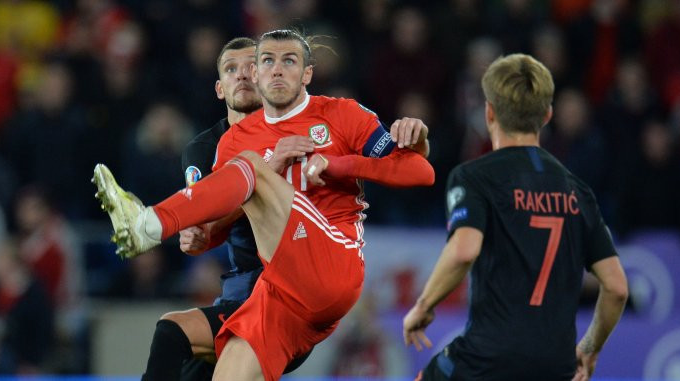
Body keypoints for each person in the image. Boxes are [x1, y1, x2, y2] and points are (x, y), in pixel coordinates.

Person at [93, 29, 434, 381]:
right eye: (268, 61)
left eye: (289, 61)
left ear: (307, 75)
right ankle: (155, 223)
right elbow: (215, 231)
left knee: (253, 165)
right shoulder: (232, 141)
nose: (277, 70)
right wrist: (200, 235)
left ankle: (149, 223)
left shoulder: (341, 114)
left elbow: (420, 171)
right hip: (277, 292)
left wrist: (339, 164)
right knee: (204, 357)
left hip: (331, 263)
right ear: (257, 73)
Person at [402, 54, 628, 381]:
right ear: (547, 115)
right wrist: (590, 349)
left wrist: (424, 306)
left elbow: (464, 250)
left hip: (486, 360)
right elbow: (617, 287)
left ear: (489, 112)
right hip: (557, 367)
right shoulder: (578, 191)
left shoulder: (474, 177)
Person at [141, 37, 310, 380]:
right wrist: (195, 232)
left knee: (171, 332)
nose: (242, 76)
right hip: (239, 296)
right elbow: (204, 226)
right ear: (220, 88)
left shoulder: (296, 137)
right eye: (231, 70)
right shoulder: (205, 148)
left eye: (252, 67)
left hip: (285, 299)